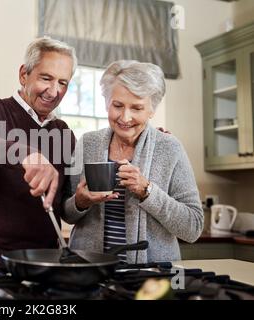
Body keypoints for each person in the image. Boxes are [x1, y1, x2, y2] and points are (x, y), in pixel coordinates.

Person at [62, 60, 204, 264]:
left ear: (151, 110)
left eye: (137, 108)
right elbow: (66, 213)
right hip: (88, 271)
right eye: (117, 105)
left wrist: (148, 191)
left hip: (151, 275)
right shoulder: (88, 143)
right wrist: (80, 202)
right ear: (106, 102)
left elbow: (193, 228)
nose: (125, 117)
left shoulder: (170, 148)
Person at [0, 37, 77, 268]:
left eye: (63, 82)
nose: (54, 91)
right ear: (24, 75)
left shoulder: (63, 132)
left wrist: (80, 201)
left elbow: (64, 204)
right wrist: (25, 154)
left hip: (44, 259)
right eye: (46, 78)